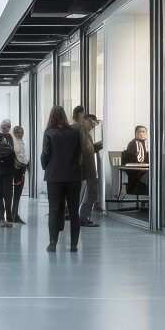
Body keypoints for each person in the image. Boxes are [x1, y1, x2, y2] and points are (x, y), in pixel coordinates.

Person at [41, 106, 82, 252]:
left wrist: (46, 166)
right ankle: (74, 245)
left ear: (51, 116)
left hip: (54, 176)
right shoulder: (74, 133)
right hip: (73, 176)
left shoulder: (49, 133)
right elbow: (78, 153)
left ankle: (53, 243)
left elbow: (46, 153)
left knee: (54, 209)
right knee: (74, 211)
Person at [71, 106, 101, 227]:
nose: (92, 126)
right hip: (82, 169)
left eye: (94, 124)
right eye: (90, 122)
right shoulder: (77, 129)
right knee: (86, 192)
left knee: (90, 191)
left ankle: (83, 217)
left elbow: (89, 150)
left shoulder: (87, 135)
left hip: (88, 168)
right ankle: (82, 218)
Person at [10, 125, 30, 224]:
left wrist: (25, 164)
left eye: (21, 132)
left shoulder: (22, 142)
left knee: (18, 193)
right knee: (11, 193)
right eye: (17, 133)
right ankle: (11, 215)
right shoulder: (12, 141)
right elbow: (13, 155)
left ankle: (14, 214)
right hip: (13, 169)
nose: (20, 134)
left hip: (21, 169)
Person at [123, 124, 149, 196]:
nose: (141, 134)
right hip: (135, 169)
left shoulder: (147, 144)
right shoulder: (133, 144)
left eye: (143, 132)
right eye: (139, 132)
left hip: (144, 168)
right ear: (135, 134)